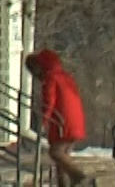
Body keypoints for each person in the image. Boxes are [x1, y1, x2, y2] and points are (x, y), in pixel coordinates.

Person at [24, 50, 87, 187]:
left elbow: (49, 101)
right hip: (74, 122)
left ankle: (79, 176)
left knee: (56, 153)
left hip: (62, 124)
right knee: (62, 161)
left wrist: (43, 121)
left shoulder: (51, 79)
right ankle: (65, 184)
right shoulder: (65, 77)